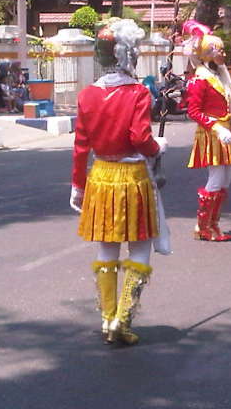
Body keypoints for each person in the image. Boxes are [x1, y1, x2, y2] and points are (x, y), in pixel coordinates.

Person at [70, 18, 169, 346]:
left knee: (107, 249)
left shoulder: (86, 96)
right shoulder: (138, 93)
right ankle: (123, 320)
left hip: (99, 176)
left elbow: (81, 146)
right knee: (139, 246)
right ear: (128, 55)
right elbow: (140, 137)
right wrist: (158, 147)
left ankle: (106, 318)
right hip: (132, 176)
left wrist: (77, 185)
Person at [184, 20, 231, 241]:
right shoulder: (200, 78)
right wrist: (217, 127)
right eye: (217, 50)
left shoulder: (217, 75)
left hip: (224, 131)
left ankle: (213, 224)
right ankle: (204, 226)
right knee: (217, 177)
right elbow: (193, 111)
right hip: (212, 133)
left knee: (226, 179)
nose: (222, 54)